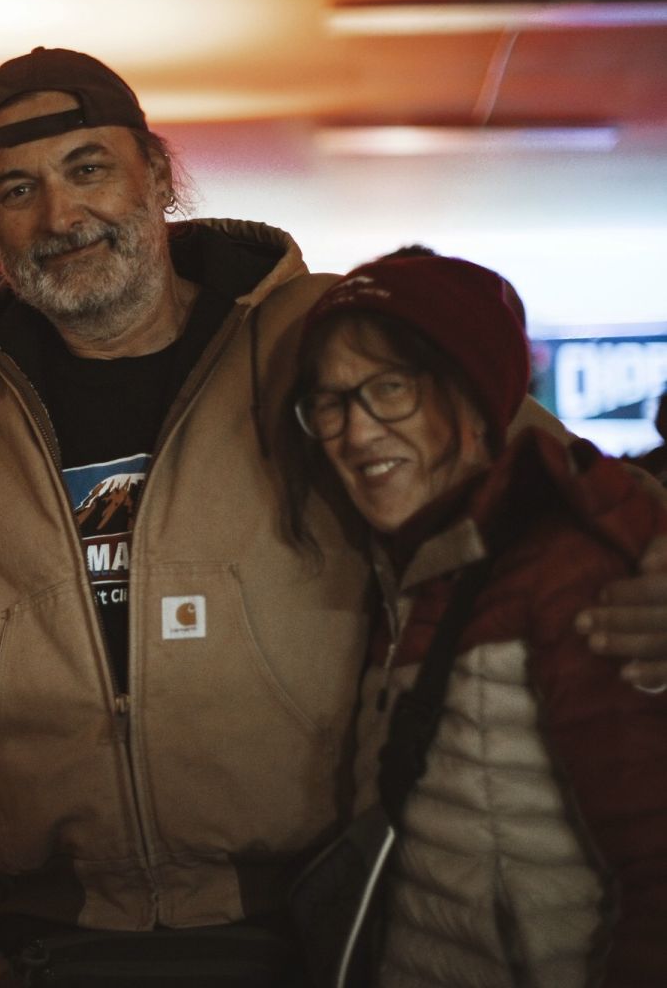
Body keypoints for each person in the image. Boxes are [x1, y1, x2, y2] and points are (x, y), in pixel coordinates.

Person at [0, 46, 667, 985]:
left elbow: (548, 473)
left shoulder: (319, 336)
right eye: (17, 190)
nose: (61, 216)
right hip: (46, 938)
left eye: (89, 168)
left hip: (305, 924)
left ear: (157, 176)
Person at [281, 252, 667, 985]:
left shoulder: (567, 572)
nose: (355, 433)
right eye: (329, 402)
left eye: (390, 388)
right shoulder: (406, 573)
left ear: (471, 395)